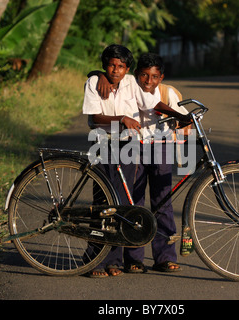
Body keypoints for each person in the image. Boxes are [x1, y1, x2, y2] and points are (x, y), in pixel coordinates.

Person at [82, 45, 190, 278]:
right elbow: (94, 115)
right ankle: (101, 260)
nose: (116, 70)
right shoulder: (101, 82)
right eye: (111, 65)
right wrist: (97, 75)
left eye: (121, 66)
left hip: (134, 145)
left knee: (132, 203)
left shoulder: (134, 83)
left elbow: (152, 103)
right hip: (105, 142)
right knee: (107, 201)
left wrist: (180, 116)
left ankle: (139, 259)